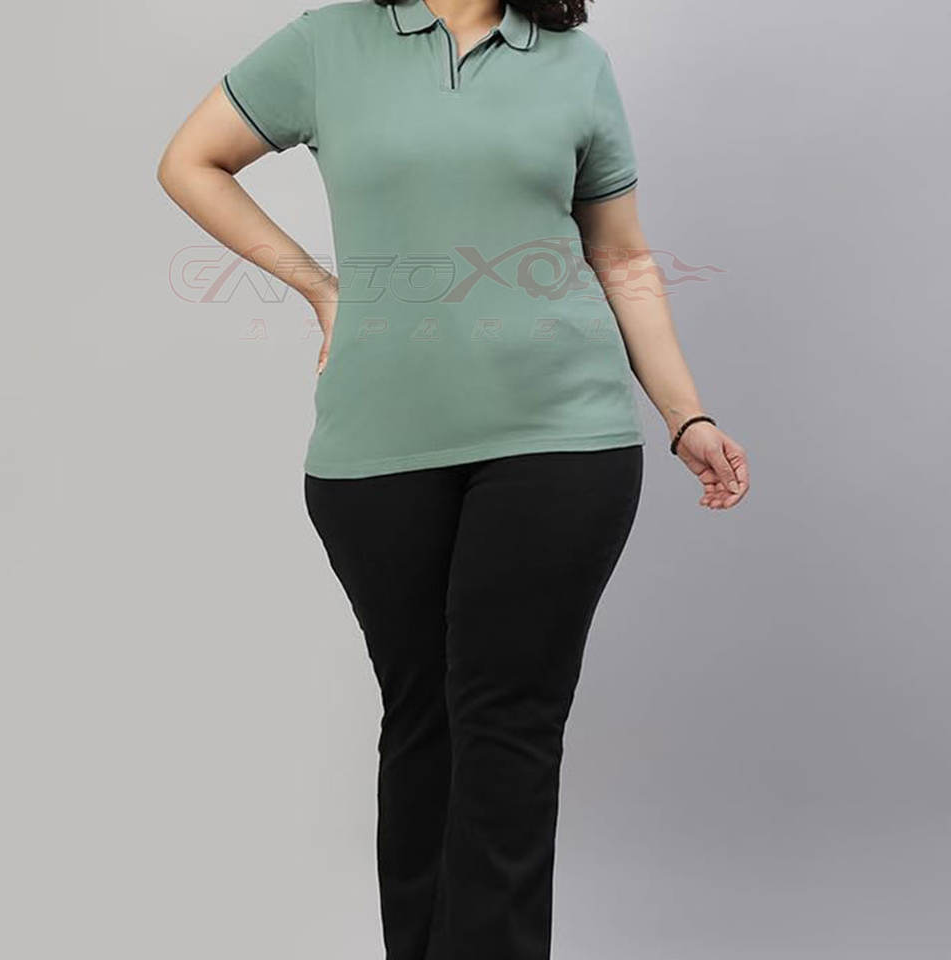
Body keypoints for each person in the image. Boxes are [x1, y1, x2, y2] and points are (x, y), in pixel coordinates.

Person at [157, 1, 750, 957]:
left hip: (562, 438)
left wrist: (688, 415)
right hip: (376, 447)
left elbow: (622, 256)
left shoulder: (575, 63)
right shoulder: (326, 43)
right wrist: (321, 288)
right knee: (422, 721)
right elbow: (190, 160)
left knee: (507, 726)